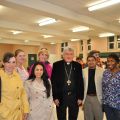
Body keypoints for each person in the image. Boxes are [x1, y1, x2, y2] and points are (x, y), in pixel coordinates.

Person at [51, 47, 84, 120]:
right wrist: (55, 97)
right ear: (63, 55)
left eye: (71, 54)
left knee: (73, 117)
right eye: (66, 54)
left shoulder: (78, 66)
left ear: (73, 56)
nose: (69, 56)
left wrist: (80, 97)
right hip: (61, 97)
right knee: (61, 117)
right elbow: (54, 82)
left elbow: (80, 82)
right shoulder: (56, 65)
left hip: (74, 97)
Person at [0, 52, 29, 120]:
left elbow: (23, 94)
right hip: (5, 115)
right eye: (8, 62)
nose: (11, 65)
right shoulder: (1, 76)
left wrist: (26, 110)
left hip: (18, 114)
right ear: (3, 63)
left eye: (13, 62)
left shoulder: (17, 75)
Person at [82, 55, 104, 120]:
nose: (91, 62)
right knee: (88, 117)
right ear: (87, 62)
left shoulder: (102, 71)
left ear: (96, 61)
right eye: (89, 60)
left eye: (92, 60)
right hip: (87, 98)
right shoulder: (83, 71)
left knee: (99, 117)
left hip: (97, 98)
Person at [102, 53, 120, 120]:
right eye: (108, 61)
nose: (109, 63)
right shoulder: (105, 72)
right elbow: (103, 88)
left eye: (112, 61)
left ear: (117, 62)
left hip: (118, 104)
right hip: (107, 104)